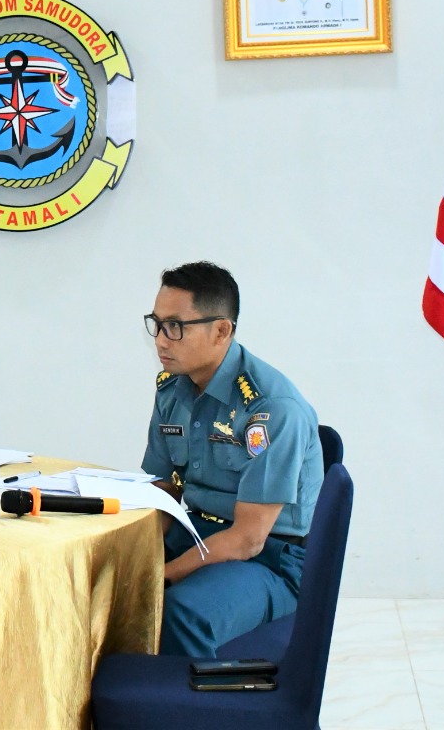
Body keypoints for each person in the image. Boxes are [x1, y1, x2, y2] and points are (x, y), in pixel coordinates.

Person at [140, 261, 323, 657]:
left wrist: (162, 575)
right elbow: (163, 488)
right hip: (195, 532)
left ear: (221, 330)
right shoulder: (173, 388)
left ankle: (178, 696)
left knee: (181, 611)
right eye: (156, 324)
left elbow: (247, 539)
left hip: (268, 559)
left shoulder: (271, 408)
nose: (161, 341)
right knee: (97, 582)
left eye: (175, 326)